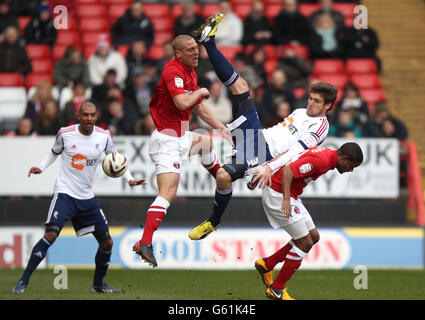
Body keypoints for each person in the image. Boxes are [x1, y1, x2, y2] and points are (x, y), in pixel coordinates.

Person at [188, 13, 338, 240]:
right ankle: (208, 41)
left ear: (328, 106)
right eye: (310, 98)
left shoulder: (320, 127)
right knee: (241, 86)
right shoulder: (300, 111)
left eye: (317, 101)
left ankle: (213, 221)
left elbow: (295, 152)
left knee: (223, 176)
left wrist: (269, 168)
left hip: (262, 152)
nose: (310, 103)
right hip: (257, 134)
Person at [12, 101, 145, 295]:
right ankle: (23, 281)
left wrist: (130, 179)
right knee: (51, 234)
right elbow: (53, 152)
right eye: (85, 115)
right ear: (79, 115)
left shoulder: (104, 136)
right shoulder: (65, 134)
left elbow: (117, 160)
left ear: (96, 116)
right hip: (65, 192)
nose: (89, 119)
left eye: (92, 115)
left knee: (107, 242)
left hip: (86, 196)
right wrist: (41, 167)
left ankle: (98, 284)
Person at [131, 34, 234, 268]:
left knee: (207, 143)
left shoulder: (190, 72)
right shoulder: (172, 71)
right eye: (190, 49)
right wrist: (200, 92)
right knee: (168, 193)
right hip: (166, 140)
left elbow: (198, 107)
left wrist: (221, 128)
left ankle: (222, 178)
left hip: (181, 136)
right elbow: (182, 103)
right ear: (178, 53)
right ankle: (144, 243)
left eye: (197, 48)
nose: (196, 52)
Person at [253, 142, 363, 300]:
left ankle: (267, 264)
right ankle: (276, 289)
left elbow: (290, 156)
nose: (350, 170)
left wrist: (268, 169)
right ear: (344, 158)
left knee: (313, 237)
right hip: (278, 195)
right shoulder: (322, 160)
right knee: (305, 243)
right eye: (351, 166)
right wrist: (285, 200)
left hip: (291, 195)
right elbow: (289, 170)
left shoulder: (327, 156)